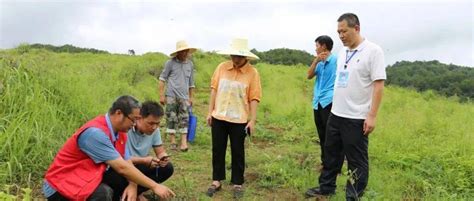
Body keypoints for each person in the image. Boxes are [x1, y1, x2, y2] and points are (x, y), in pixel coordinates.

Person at [305, 13, 386, 200]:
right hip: (336, 113)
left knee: (356, 161)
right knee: (331, 154)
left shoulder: (373, 51)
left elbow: (379, 85)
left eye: (344, 31)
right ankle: (326, 187)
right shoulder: (343, 53)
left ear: (356, 28)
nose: (340, 35)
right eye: (338, 32)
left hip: (356, 117)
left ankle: (353, 196)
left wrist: (371, 116)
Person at [43, 95, 175, 201]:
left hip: (88, 175)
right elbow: (122, 168)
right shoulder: (96, 134)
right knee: (103, 193)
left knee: (115, 185)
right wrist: (155, 186)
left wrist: (132, 185)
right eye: (133, 119)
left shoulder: (120, 132)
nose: (135, 124)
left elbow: (126, 161)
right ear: (119, 113)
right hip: (61, 185)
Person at [205, 38, 262, 199]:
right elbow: (214, 90)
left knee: (238, 151)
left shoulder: (252, 73)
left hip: (239, 119)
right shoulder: (222, 67)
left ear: (245, 57)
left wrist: (252, 120)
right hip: (219, 116)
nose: (235, 59)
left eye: (238, 56)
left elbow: (254, 97)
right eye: (233, 55)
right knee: (218, 149)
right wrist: (210, 112)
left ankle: (238, 182)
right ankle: (216, 180)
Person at [100, 101, 174, 201]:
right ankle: (129, 193)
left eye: (157, 123)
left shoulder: (155, 130)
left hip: (137, 167)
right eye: (151, 123)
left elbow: (160, 151)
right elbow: (120, 160)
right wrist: (144, 160)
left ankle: (133, 194)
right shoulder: (125, 128)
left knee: (167, 168)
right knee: (113, 177)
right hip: (122, 166)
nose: (154, 127)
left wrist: (163, 157)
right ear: (139, 118)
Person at [306, 35, 339, 170]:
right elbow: (309, 76)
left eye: (317, 46)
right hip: (317, 102)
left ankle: (334, 166)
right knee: (322, 134)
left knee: (331, 135)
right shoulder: (319, 62)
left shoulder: (336, 60)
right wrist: (315, 61)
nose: (316, 49)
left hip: (329, 101)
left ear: (324, 46)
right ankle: (325, 163)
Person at [159, 40, 196, 152]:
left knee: (184, 118)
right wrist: (161, 95)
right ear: (178, 52)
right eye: (183, 51)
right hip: (171, 95)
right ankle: (173, 141)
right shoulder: (170, 63)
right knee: (171, 117)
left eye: (187, 51)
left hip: (184, 97)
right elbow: (162, 79)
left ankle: (184, 142)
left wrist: (191, 97)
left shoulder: (190, 64)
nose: (185, 53)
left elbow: (191, 83)